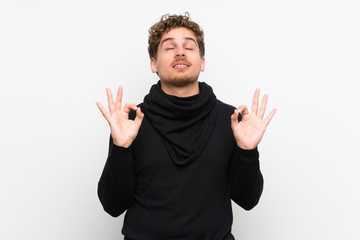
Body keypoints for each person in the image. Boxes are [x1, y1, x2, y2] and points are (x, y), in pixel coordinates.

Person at [96, 12, 276, 240]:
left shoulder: (231, 120)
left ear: (202, 62)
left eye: (189, 47)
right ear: (153, 64)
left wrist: (247, 151)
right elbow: (113, 205)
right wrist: (121, 148)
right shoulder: (131, 120)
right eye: (169, 48)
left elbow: (248, 200)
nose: (180, 52)